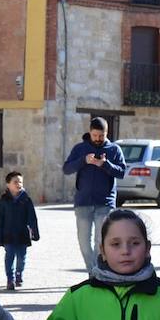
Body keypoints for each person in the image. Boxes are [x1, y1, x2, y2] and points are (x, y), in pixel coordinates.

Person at [62, 116, 126, 271]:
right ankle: (93, 272)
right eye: (95, 135)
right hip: (83, 203)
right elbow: (66, 169)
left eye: (101, 136)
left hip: (105, 203)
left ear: (106, 133)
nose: (98, 139)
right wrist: (84, 160)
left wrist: (105, 164)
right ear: (90, 132)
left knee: (100, 241)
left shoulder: (114, 149)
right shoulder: (80, 149)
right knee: (84, 243)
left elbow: (122, 172)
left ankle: (98, 273)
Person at [0, 170, 39, 291]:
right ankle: (10, 279)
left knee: (21, 257)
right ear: (8, 184)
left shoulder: (26, 199)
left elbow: (32, 217)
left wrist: (35, 233)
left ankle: (19, 274)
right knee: (9, 256)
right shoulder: (4, 200)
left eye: (20, 182)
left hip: (22, 234)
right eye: (15, 182)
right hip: (8, 234)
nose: (19, 184)